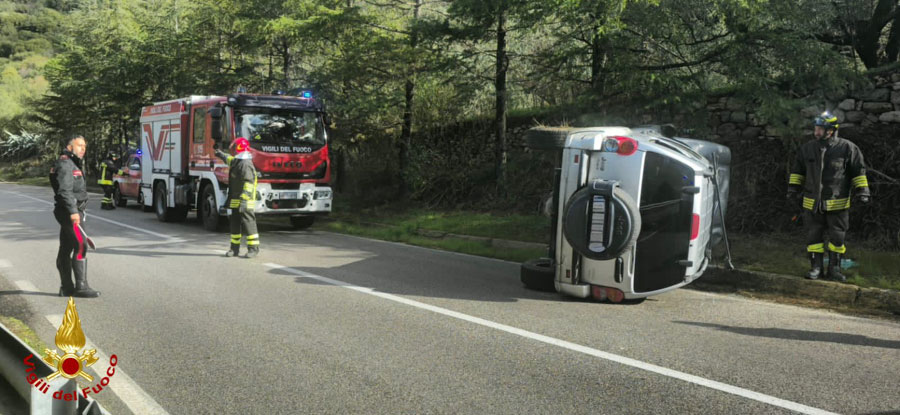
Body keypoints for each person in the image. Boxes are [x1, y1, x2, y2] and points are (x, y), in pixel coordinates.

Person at [787, 111, 870, 282]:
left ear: (831, 130)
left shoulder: (848, 148)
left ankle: (835, 270)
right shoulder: (807, 148)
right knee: (813, 236)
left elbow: (858, 172)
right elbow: (797, 172)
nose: (816, 132)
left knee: (837, 238)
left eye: (820, 129)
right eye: (816, 128)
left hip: (837, 204)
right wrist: (793, 190)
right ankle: (816, 268)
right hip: (812, 204)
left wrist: (863, 192)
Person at [50, 135, 100, 297]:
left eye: (84, 146)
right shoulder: (65, 164)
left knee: (66, 248)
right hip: (69, 211)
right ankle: (81, 287)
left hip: (70, 210)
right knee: (81, 245)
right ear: (70, 147)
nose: (83, 149)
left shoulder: (71, 163)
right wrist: (73, 212)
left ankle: (66, 287)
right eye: (79, 145)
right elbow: (64, 191)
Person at [214, 137, 260, 258]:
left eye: (234, 148)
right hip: (235, 197)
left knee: (248, 222)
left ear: (239, 148)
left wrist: (244, 198)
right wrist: (220, 154)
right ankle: (234, 249)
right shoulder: (237, 160)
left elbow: (249, 183)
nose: (232, 150)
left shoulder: (245, 163)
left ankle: (253, 249)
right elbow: (229, 160)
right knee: (234, 222)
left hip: (245, 199)